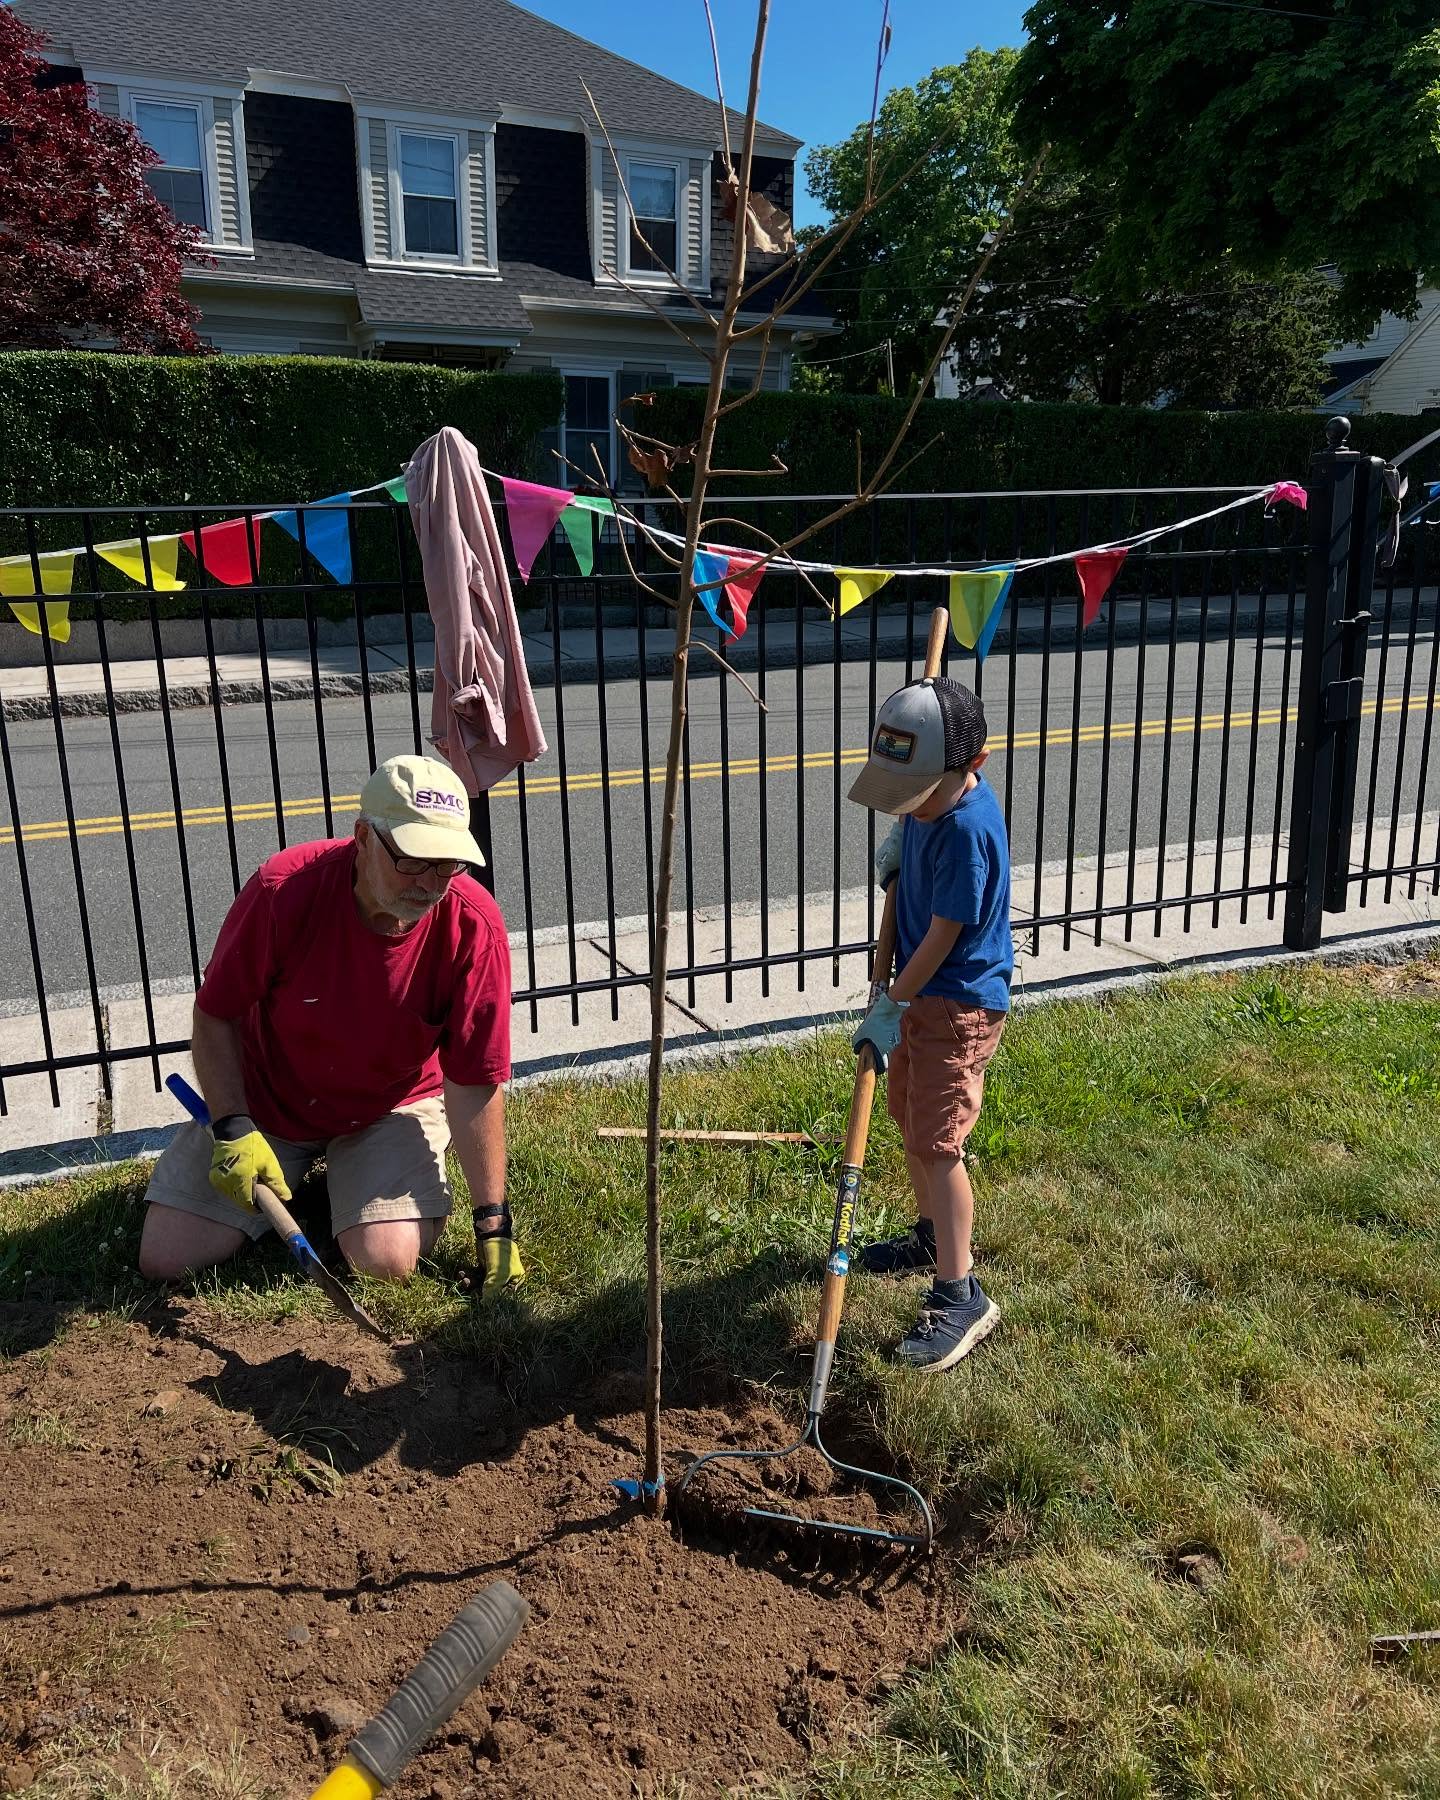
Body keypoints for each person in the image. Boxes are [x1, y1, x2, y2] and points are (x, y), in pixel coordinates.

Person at [138, 754, 521, 1297]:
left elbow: (475, 1078)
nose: (430, 882)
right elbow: (216, 1012)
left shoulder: (472, 924)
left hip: (390, 1103)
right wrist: (231, 1125)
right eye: (413, 859)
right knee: (166, 1257)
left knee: (385, 1262)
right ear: (364, 837)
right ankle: (312, 1174)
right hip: (270, 1099)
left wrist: (493, 1223)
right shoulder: (283, 891)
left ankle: (356, 1183)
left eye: (447, 863)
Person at [848, 676, 1013, 1372]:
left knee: (940, 1140)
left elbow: (946, 932)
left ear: (970, 766)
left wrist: (892, 1003)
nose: (907, 806)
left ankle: (960, 1289)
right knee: (911, 1119)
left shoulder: (967, 830)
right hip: (921, 995)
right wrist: (893, 870)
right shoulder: (926, 805)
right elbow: (914, 883)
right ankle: (928, 1237)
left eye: (916, 792)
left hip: (956, 1002)